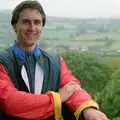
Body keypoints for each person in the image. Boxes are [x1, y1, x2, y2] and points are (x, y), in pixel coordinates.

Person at [0, 0, 108, 120]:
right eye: (26, 22)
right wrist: (58, 98)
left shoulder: (55, 61)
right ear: (15, 26)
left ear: (42, 27)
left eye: (37, 22)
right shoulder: (2, 61)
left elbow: (71, 87)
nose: (32, 28)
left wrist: (88, 109)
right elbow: (10, 101)